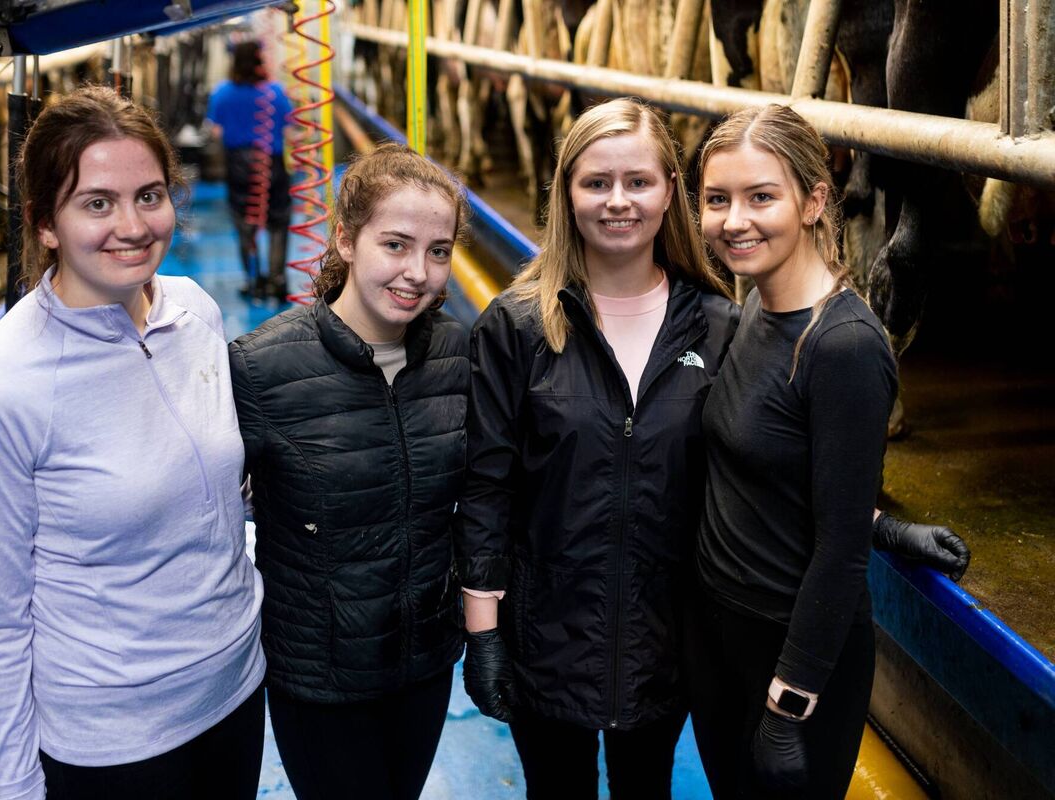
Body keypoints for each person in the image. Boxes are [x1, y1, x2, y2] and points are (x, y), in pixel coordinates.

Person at [454, 98, 970, 799]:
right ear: (563, 193)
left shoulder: (718, 323)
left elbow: (766, 471)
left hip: (665, 643)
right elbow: (488, 485)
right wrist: (482, 630)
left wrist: (873, 526)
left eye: (638, 181)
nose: (617, 202)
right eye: (594, 182)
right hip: (556, 636)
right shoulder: (519, 328)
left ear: (669, 192)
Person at [0, 85, 266, 800]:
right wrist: (18, 790)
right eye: (96, 203)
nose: (132, 225)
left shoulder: (196, 311)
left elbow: (218, 502)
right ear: (44, 224)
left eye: (150, 195)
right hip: (114, 741)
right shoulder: (1, 388)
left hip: (236, 690)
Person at [684, 102, 925, 798]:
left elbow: (839, 550)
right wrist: (884, 524)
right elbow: (767, 471)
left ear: (815, 200)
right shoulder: (757, 304)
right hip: (718, 632)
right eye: (718, 199)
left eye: (762, 196)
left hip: (788, 658)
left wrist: (788, 706)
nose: (736, 220)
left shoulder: (844, 345)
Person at [228, 142, 469, 800]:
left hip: (423, 664)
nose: (418, 272)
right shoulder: (261, 368)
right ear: (345, 240)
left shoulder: (456, 354)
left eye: (439, 250)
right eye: (395, 244)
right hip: (320, 676)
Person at [205, 39, 293, 300]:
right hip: (272, 163)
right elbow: (290, 128)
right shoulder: (276, 92)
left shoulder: (222, 93)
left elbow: (215, 130)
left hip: (239, 165)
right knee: (278, 221)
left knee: (245, 223)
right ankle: (277, 281)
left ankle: (254, 281)